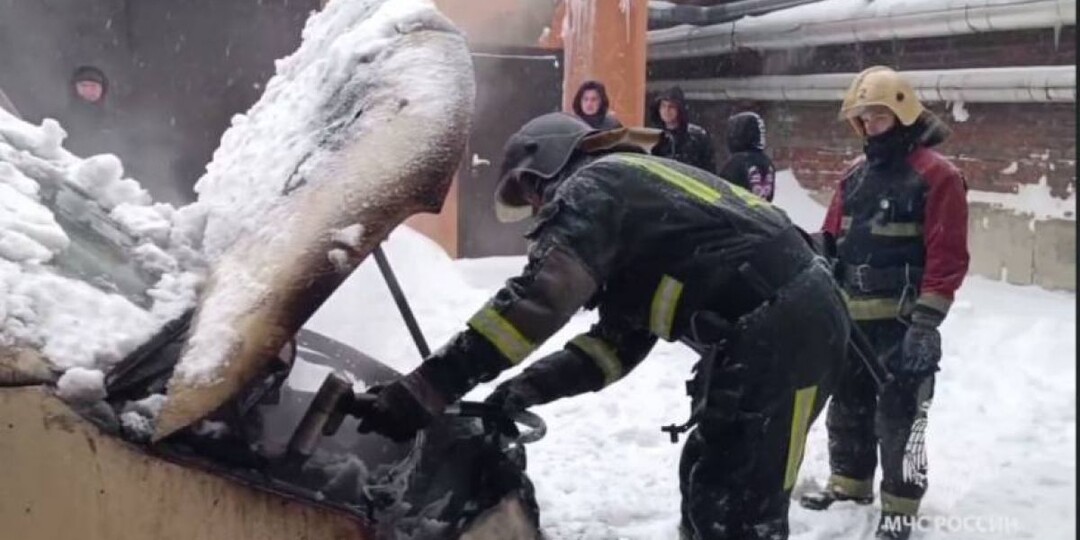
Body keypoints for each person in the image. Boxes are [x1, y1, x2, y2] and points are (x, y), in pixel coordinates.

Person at [354, 112, 852, 539]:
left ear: (541, 169)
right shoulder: (632, 203)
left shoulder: (593, 186)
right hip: (785, 322)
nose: (538, 209)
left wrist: (428, 389)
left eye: (530, 194)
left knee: (737, 505)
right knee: (710, 480)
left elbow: (537, 301)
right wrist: (521, 390)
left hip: (783, 327)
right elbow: (615, 348)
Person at [798, 66, 970, 540]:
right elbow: (833, 237)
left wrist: (926, 324)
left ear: (902, 111)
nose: (870, 126)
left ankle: (900, 508)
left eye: (878, 116)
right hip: (851, 321)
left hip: (901, 323)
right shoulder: (854, 175)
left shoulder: (938, 176)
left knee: (900, 419)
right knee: (847, 409)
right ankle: (850, 485)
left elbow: (948, 254)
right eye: (863, 118)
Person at [650, 85, 716, 173]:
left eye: (671, 106)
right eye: (663, 106)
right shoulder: (653, 136)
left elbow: (708, 168)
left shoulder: (697, 136)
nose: (666, 110)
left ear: (679, 109)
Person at [718, 111, 776, 202]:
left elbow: (722, 192)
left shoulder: (736, 162)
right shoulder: (766, 161)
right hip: (761, 213)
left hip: (738, 212)